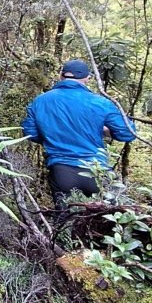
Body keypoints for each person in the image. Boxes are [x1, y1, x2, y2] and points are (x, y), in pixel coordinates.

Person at [21, 59, 136, 209]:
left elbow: (30, 133)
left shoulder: (40, 101)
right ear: (87, 78)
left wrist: (52, 136)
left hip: (62, 171)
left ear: (61, 76)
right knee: (104, 223)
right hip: (97, 171)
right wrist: (105, 131)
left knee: (64, 223)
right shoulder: (101, 102)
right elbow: (128, 133)